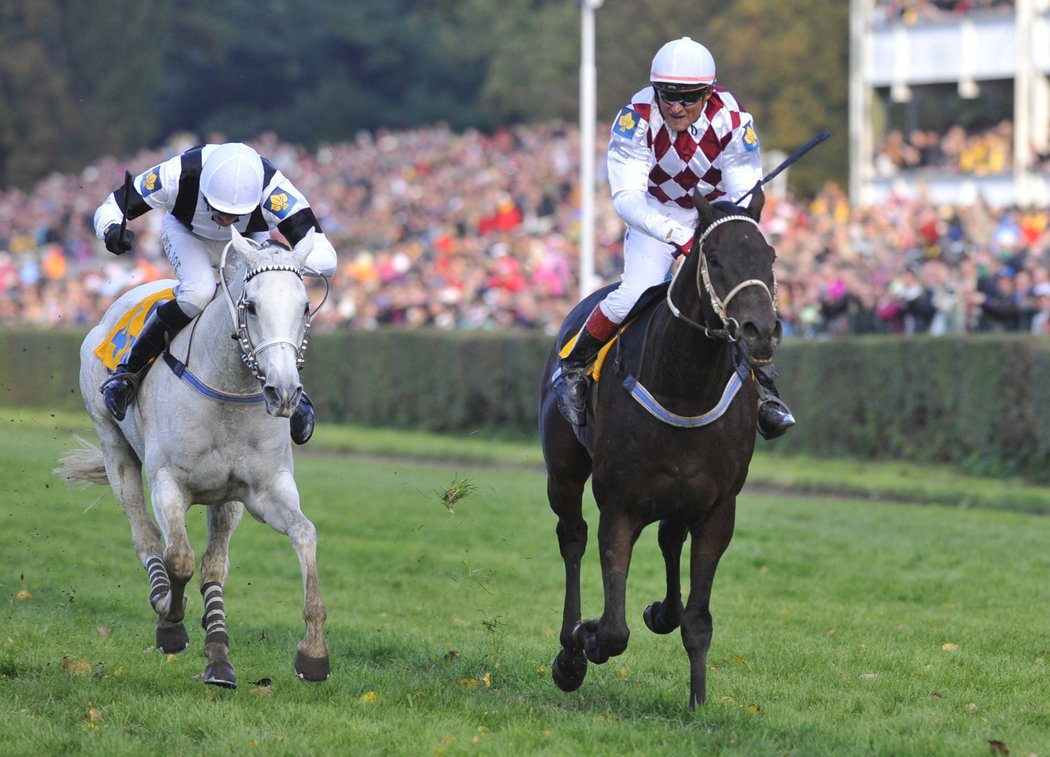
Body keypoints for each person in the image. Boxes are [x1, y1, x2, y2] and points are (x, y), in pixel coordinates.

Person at [553, 37, 795, 439]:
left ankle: (766, 394)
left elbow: (743, 198)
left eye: (690, 97)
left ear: (709, 91)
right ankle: (576, 367)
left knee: (746, 296)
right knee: (634, 293)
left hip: (716, 213)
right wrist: (677, 234)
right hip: (655, 212)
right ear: (655, 90)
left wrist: (715, 229)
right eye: (669, 96)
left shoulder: (735, 122)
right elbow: (626, 197)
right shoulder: (634, 118)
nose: (678, 107)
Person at [92, 142, 338, 443]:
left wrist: (279, 258)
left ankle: (291, 391)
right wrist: (111, 230)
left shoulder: (273, 190)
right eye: (220, 210)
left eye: (234, 213)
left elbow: (326, 256)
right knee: (199, 292)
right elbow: (113, 206)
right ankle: (127, 374)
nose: (225, 219)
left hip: (247, 242)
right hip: (186, 233)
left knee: (264, 302)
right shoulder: (177, 173)